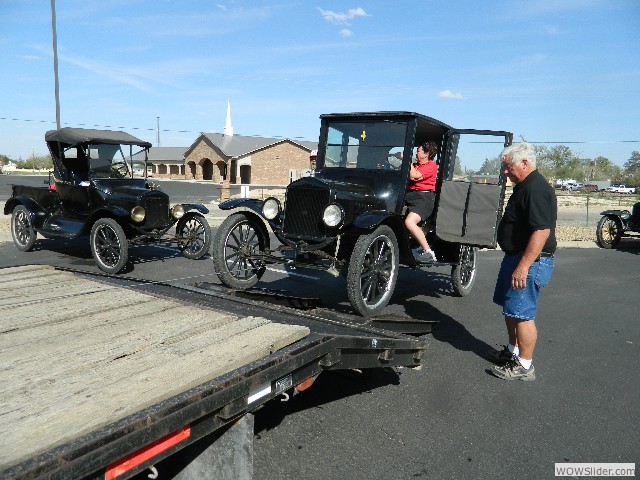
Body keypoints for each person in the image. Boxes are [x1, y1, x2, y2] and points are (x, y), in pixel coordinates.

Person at [488, 142, 557, 381]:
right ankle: (513, 352)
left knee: (523, 314)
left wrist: (523, 266)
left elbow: (541, 231)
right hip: (516, 257)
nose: (505, 172)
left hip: (530, 262)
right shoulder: (524, 186)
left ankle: (525, 366)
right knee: (512, 310)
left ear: (525, 163)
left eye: (508, 167)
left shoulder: (535, 189)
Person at [404, 141, 438, 263]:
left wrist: (406, 158)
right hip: (410, 197)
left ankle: (428, 252)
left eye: (418, 151)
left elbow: (414, 176)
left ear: (426, 154)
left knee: (410, 222)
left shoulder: (431, 166)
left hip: (423, 199)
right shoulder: (416, 164)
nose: (416, 153)